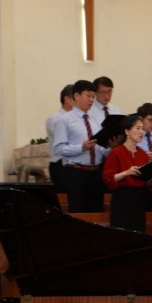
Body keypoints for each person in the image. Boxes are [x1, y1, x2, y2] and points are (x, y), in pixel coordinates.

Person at [52, 80, 108, 213]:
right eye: (88, 96)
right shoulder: (65, 119)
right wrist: (81, 148)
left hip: (96, 173)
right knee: (78, 212)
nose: (91, 100)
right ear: (76, 96)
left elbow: (100, 149)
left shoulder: (94, 121)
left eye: (93, 97)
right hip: (77, 173)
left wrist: (111, 147)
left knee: (97, 213)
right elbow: (58, 149)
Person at [102, 114, 152, 232]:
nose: (141, 132)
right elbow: (107, 178)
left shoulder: (143, 154)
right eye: (137, 128)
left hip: (139, 199)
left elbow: (146, 182)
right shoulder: (116, 152)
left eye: (142, 129)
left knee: (138, 233)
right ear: (127, 131)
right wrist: (126, 173)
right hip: (122, 198)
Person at [45, 84, 74, 192]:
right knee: (63, 197)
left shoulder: (79, 118)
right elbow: (66, 141)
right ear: (67, 99)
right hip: (60, 165)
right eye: (75, 98)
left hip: (75, 165)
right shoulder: (55, 118)